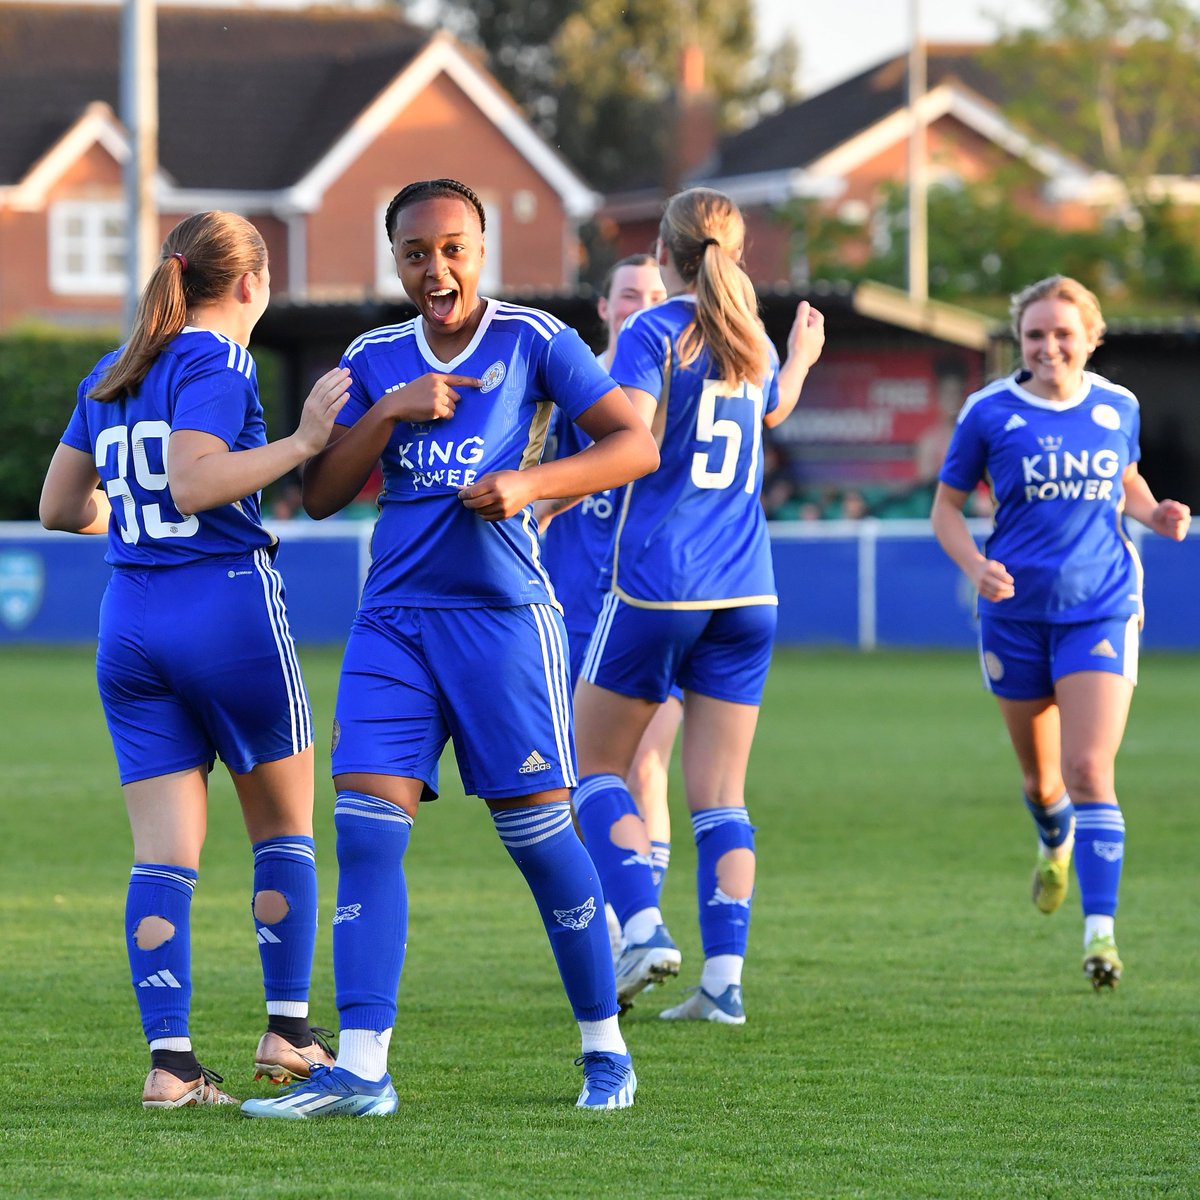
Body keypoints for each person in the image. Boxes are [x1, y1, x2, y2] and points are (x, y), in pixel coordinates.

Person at [239, 178, 659, 1119]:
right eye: (417, 252)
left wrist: (531, 483)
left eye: (454, 247)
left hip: (504, 624)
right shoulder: (373, 357)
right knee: (363, 829)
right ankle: (362, 1067)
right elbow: (321, 495)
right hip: (393, 623)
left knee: (543, 843)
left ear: (483, 247)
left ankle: (605, 1046)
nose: (438, 267)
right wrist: (388, 413)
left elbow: (634, 445)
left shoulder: (535, 340)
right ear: (396, 260)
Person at [38, 210, 351, 1107]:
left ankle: (170, 1065)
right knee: (284, 830)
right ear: (251, 284)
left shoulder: (113, 368)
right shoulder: (217, 358)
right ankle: (289, 1035)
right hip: (223, 611)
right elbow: (195, 479)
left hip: (129, 624)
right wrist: (300, 445)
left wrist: (127, 520)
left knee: (162, 857)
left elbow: (61, 505)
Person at [571, 186, 826, 1023]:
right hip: (749, 588)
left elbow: (631, 438)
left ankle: (641, 928)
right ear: (735, 250)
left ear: (667, 253)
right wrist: (799, 364)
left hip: (660, 583)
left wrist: (540, 483)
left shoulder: (652, 332)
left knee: (592, 767)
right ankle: (724, 984)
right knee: (720, 795)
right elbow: (769, 410)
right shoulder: (745, 338)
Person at [930, 274, 1191, 990]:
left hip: (1100, 607)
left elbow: (1126, 483)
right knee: (1043, 781)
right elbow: (945, 509)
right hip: (1013, 619)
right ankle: (1054, 839)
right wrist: (976, 564)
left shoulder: (1117, 407)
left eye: (1063, 333)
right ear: (1020, 341)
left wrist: (1155, 514)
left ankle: (1100, 936)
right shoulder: (988, 412)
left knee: (1087, 770)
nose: (1049, 346)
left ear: (1091, 339)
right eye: (1035, 334)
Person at [534, 254, 680, 965]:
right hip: (566, 606)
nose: (645, 305)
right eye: (631, 295)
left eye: (658, 294)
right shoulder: (572, 385)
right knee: (575, 776)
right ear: (604, 306)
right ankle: (625, 923)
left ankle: (635, 923)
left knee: (644, 764)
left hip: (651, 601)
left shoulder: (681, 389)